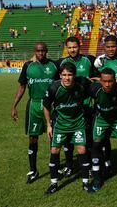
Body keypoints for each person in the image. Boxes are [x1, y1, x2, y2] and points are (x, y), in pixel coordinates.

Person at [11, 42, 58, 184]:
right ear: (34, 51)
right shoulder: (28, 66)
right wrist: (14, 106)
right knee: (33, 139)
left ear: (47, 51)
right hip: (34, 105)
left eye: (43, 50)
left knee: (53, 139)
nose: (41, 53)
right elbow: (22, 87)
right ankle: (33, 170)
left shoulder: (55, 65)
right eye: (38, 51)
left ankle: (55, 169)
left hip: (51, 106)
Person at [43, 62, 91, 194]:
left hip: (78, 123)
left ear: (74, 75)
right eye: (64, 75)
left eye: (70, 75)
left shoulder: (81, 84)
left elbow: (94, 83)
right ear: (60, 75)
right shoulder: (53, 88)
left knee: (82, 149)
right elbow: (46, 106)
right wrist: (48, 125)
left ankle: (86, 183)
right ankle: (53, 183)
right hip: (60, 124)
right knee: (54, 150)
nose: (67, 78)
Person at [56, 36, 98, 177]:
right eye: (69, 47)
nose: (72, 50)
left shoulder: (89, 60)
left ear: (79, 46)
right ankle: (69, 166)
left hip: (86, 105)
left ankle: (91, 166)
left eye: (74, 47)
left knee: (87, 138)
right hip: (69, 107)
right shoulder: (62, 63)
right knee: (68, 140)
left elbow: (101, 71)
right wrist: (34, 59)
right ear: (66, 48)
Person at [89, 68, 117, 191]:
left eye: (110, 81)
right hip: (101, 119)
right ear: (100, 81)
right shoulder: (94, 88)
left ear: (115, 80)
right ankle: (97, 178)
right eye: (104, 81)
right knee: (96, 145)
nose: (107, 84)